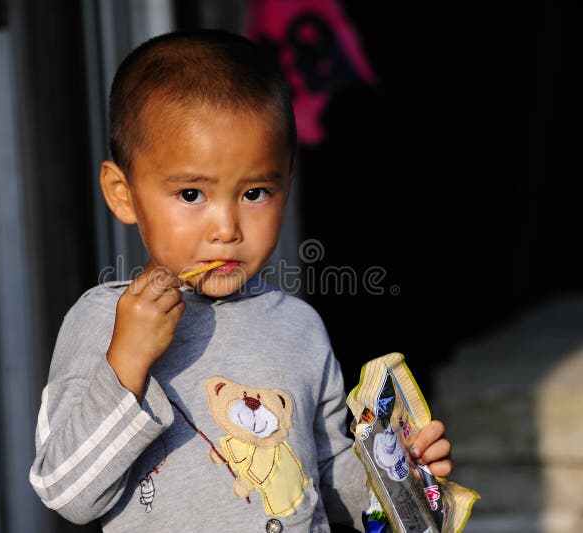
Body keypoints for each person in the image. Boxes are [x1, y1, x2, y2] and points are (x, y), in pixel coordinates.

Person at [29, 29, 452, 532]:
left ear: (287, 183)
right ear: (123, 194)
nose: (226, 228)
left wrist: (401, 473)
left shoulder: (299, 327)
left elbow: (330, 482)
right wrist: (126, 363)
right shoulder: (104, 323)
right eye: (191, 194)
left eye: (254, 193)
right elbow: (67, 493)